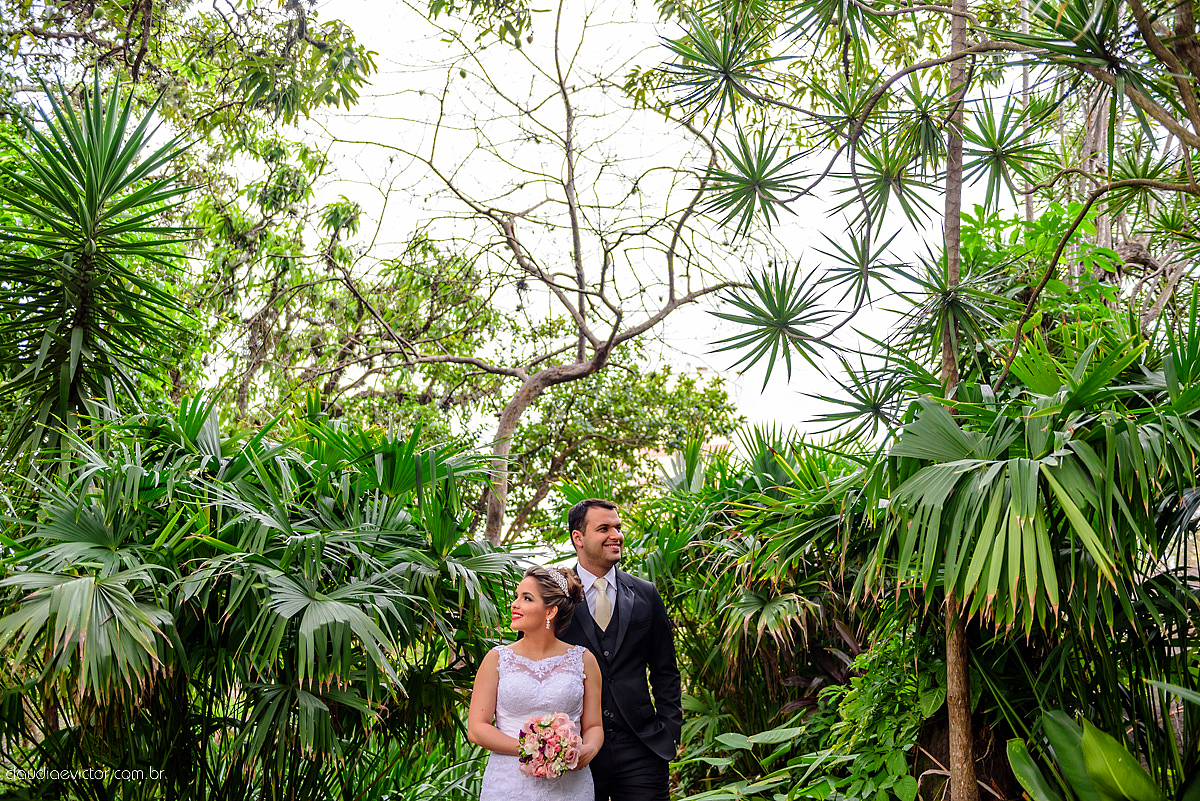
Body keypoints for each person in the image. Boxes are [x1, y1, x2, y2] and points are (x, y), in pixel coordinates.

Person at [559, 498, 683, 801]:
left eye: (617, 527)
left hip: (642, 746)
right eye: (604, 529)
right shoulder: (556, 595)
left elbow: (665, 670)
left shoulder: (645, 593)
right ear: (578, 538)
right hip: (577, 749)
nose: (616, 535)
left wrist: (669, 730)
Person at [469, 565, 605, 801]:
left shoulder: (584, 660)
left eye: (526, 598)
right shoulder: (496, 659)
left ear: (550, 612)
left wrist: (589, 748)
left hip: (570, 786)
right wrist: (533, 750)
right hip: (508, 785)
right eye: (516, 597)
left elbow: (594, 725)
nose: (514, 604)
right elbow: (477, 728)